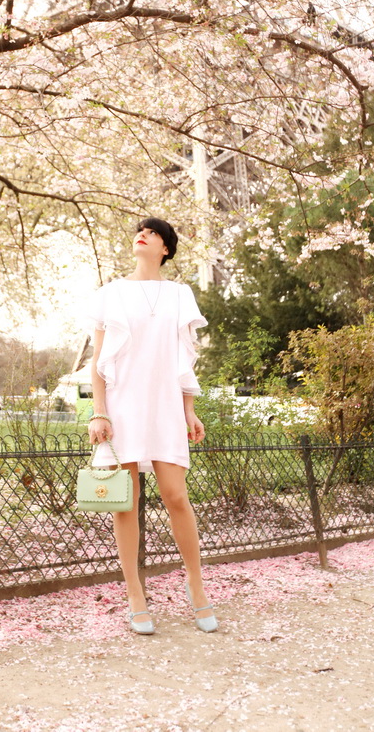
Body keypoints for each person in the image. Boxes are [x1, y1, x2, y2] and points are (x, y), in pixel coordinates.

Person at [86, 217, 219, 635]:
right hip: (123, 406)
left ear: (166, 248)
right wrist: (99, 411)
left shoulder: (181, 295)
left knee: (176, 495)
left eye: (154, 233)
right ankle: (134, 594)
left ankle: (196, 586)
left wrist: (189, 410)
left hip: (164, 406)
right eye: (139, 231)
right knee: (126, 500)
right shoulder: (110, 293)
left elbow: (185, 358)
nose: (142, 235)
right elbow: (99, 361)